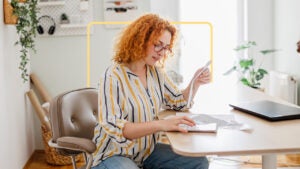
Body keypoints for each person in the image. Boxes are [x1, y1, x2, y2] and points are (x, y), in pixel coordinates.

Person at [92, 13, 211, 169]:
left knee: (199, 161)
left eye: (166, 48)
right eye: (158, 44)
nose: (162, 52)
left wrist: (195, 84)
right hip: (113, 154)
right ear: (140, 39)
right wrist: (161, 124)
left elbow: (178, 102)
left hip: (145, 152)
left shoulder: (155, 73)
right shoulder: (112, 76)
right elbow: (119, 129)